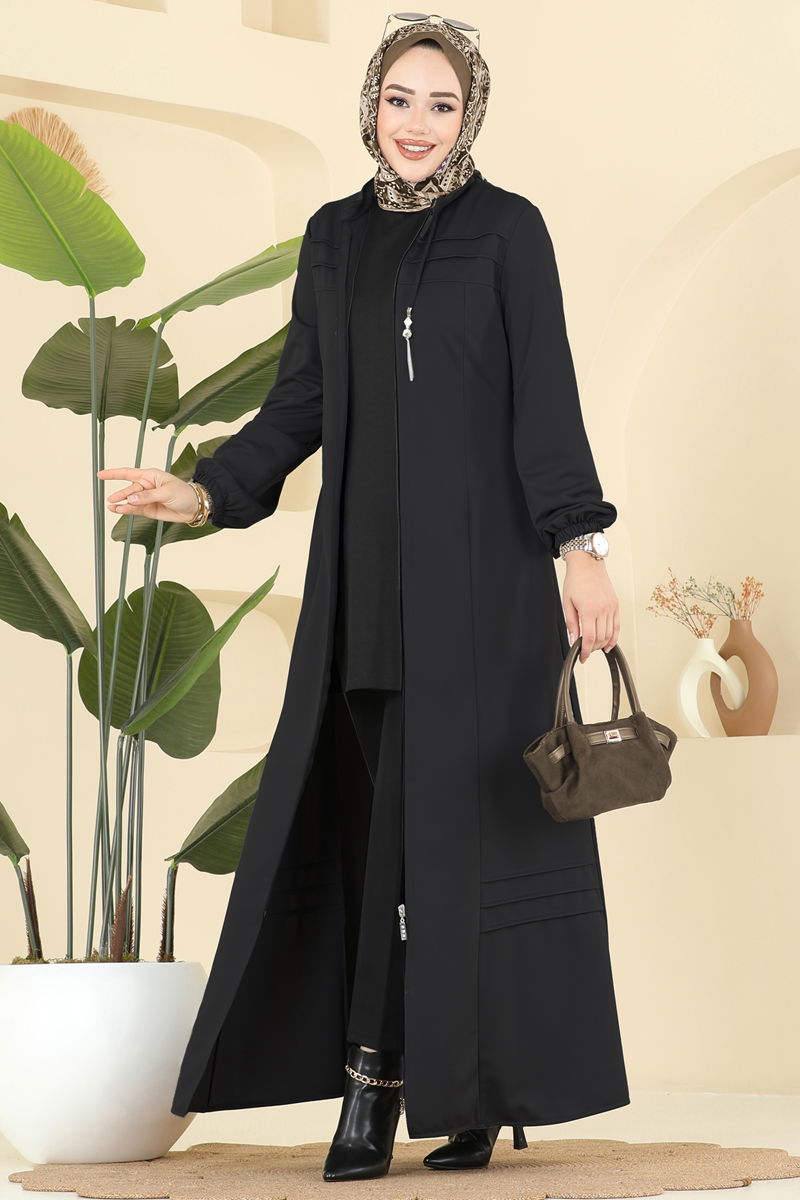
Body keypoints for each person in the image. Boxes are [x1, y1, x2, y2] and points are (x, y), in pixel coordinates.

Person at [99, 12, 627, 1184]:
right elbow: (301, 402)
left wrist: (579, 546)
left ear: (468, 115)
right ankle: (403, 1079)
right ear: (370, 106)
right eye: (399, 99)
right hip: (366, 589)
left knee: (469, 834)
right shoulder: (335, 238)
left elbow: (542, 395)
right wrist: (205, 490)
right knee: (381, 828)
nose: (416, 124)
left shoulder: (507, 230)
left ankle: (405, 1086)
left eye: (441, 104)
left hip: (486, 594)